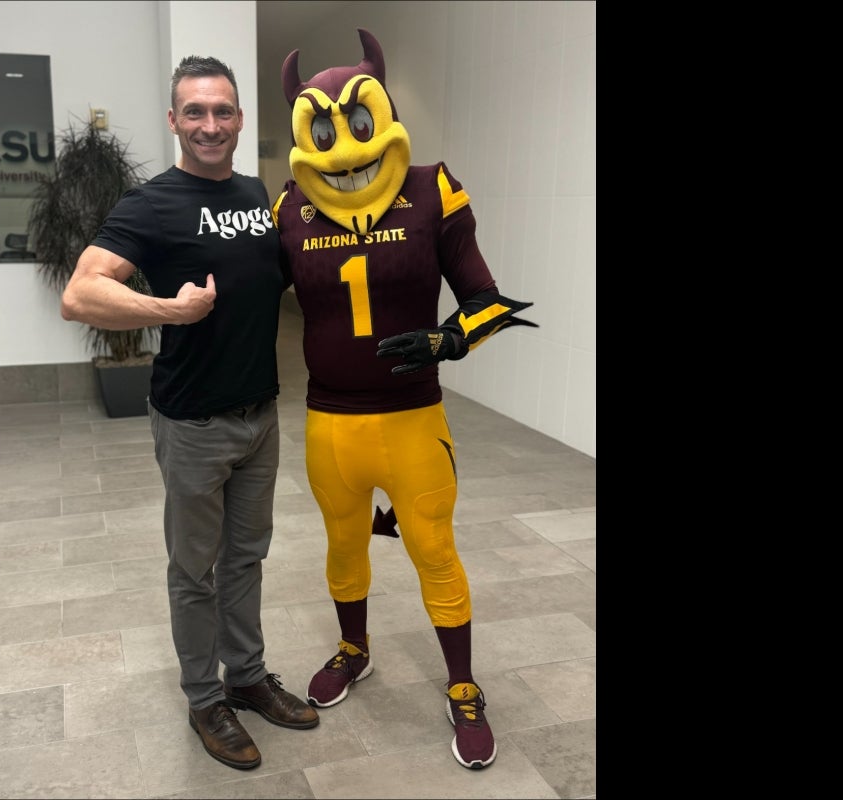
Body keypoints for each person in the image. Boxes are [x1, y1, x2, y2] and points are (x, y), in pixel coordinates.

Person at [271, 30, 538, 770]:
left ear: (382, 113)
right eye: (323, 129)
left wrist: (449, 340)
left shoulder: (431, 187)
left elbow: (486, 300)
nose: (345, 146)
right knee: (344, 547)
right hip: (329, 423)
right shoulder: (289, 207)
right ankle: (354, 649)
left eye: (357, 123)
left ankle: (462, 686)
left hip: (413, 417)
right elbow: (252, 292)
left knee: (432, 549)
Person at [60, 54, 318, 771]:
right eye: (195, 112)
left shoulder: (254, 192)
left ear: (240, 119)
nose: (211, 124)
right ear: (175, 120)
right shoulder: (151, 203)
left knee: (246, 559)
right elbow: (79, 294)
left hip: (259, 416)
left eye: (223, 111)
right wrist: (168, 309)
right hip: (193, 425)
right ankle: (205, 698)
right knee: (193, 569)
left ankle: (247, 677)